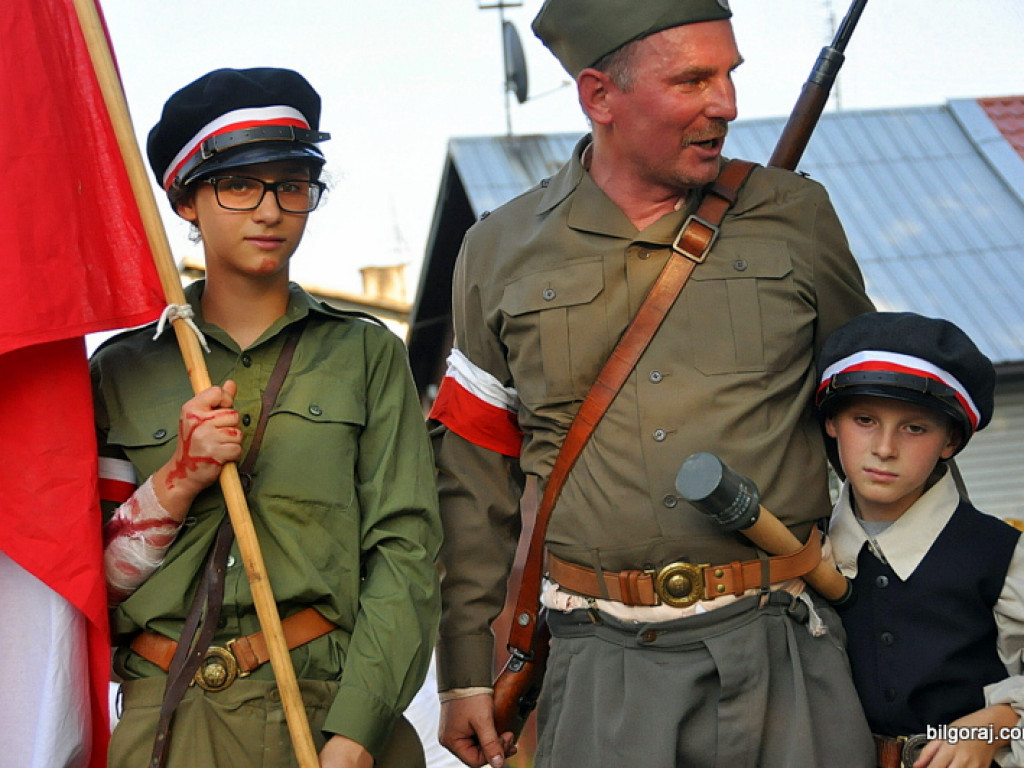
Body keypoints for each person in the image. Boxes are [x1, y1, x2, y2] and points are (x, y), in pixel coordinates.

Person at [427, 1, 877, 766]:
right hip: (602, 670)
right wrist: (464, 672)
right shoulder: (497, 249)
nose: (726, 105)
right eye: (691, 80)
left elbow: (880, 422)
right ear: (599, 95)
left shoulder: (797, 216)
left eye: (729, 75)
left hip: (787, 650)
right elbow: (473, 478)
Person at [92, 67, 441, 768]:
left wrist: (358, 727)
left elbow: (406, 551)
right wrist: (180, 478)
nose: (271, 210)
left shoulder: (365, 353)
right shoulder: (122, 370)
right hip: (167, 718)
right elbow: (90, 575)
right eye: (239, 185)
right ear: (186, 200)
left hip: (323, 706)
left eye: (291, 184)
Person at [818, 312, 1024, 768]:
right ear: (832, 422)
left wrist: (987, 728)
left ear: (950, 440)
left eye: (915, 428)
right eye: (865, 419)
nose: (885, 448)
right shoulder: (804, 552)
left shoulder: (1001, 552)